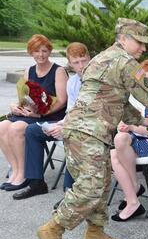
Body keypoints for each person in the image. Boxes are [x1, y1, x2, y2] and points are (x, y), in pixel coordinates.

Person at [37, 18, 148, 239]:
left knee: (102, 183)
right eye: (139, 42)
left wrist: (144, 122)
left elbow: (117, 101)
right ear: (123, 39)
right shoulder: (125, 62)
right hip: (87, 131)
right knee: (91, 186)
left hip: (90, 131)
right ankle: (54, 228)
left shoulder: (105, 58)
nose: (143, 49)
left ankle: (95, 233)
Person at [12, 42, 90, 200]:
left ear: (90, 58)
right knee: (33, 131)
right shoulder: (73, 82)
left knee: (71, 137)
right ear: (70, 63)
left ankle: (70, 193)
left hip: (89, 128)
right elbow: (71, 110)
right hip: (70, 123)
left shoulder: (98, 81)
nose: (81, 65)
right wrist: (61, 124)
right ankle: (36, 183)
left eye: (84, 60)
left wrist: (65, 127)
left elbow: (92, 114)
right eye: (76, 62)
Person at [0, 34, 68, 192]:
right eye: (36, 51)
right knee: (2, 126)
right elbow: (25, 96)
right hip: (29, 113)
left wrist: (40, 115)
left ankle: (24, 174)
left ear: (49, 51)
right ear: (31, 52)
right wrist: (15, 106)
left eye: (44, 51)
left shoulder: (58, 71)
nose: (41, 55)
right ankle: (16, 171)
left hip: (50, 115)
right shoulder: (29, 71)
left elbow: (61, 101)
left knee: (16, 128)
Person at [110, 58, 148, 221]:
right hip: (137, 138)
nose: (145, 80)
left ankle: (133, 195)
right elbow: (126, 118)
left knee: (115, 154)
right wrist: (123, 125)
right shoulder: (136, 95)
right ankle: (133, 196)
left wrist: (132, 128)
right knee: (118, 140)